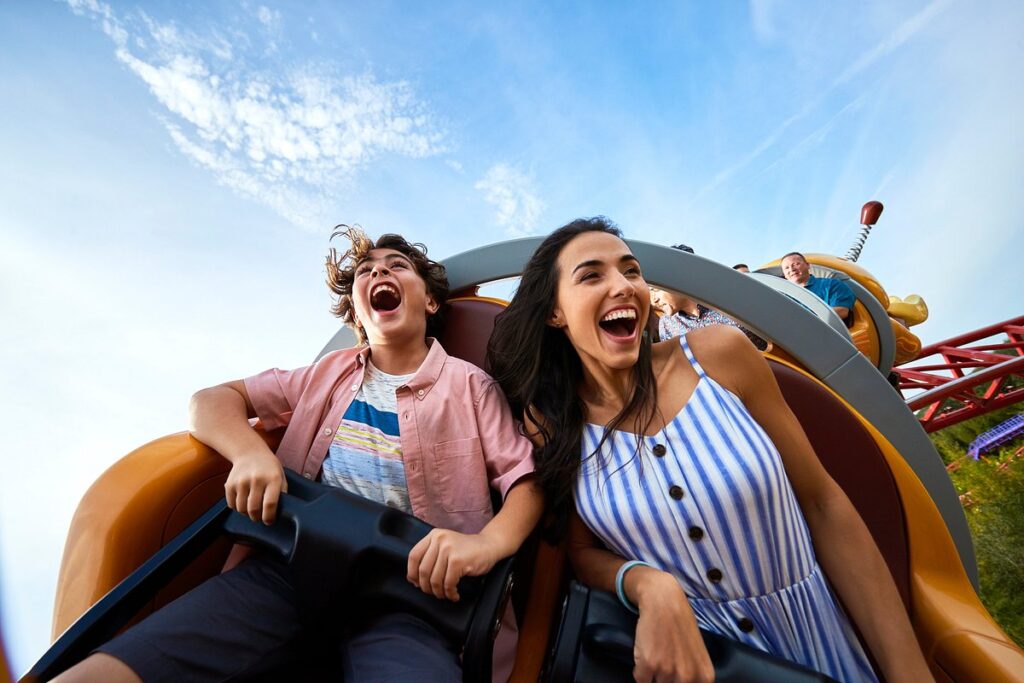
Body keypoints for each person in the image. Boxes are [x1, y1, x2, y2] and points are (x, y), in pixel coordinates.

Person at [56, 227, 543, 683]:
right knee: (109, 671)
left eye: (398, 266)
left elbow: (524, 481)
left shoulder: (470, 385)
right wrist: (251, 454)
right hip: (287, 569)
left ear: (431, 299)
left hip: (410, 596)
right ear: (356, 312)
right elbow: (211, 401)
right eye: (367, 270)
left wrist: (487, 544)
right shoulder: (322, 375)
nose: (379, 273)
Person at [486, 218, 933, 683]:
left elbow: (823, 503)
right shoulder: (549, 420)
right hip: (697, 663)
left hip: (820, 640)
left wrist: (907, 670)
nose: (623, 286)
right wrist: (649, 586)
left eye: (632, 271)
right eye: (591, 275)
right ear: (554, 312)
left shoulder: (720, 354)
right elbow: (579, 550)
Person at [652, 246, 767, 350]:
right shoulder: (666, 325)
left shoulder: (732, 299)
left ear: (681, 277)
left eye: (656, 289)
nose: (654, 299)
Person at [780, 251, 855, 322]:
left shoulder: (832, 284)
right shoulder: (783, 297)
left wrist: (802, 322)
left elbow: (841, 311)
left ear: (808, 265)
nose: (792, 269)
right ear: (784, 275)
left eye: (796, 264)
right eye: (787, 268)